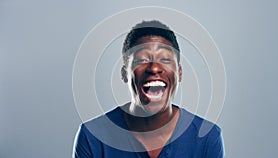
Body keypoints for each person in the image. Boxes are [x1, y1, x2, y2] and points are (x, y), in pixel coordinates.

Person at [73, 20, 225, 158]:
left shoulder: (207, 137)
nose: (154, 68)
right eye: (142, 60)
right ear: (125, 74)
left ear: (179, 74)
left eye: (165, 59)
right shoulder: (92, 136)